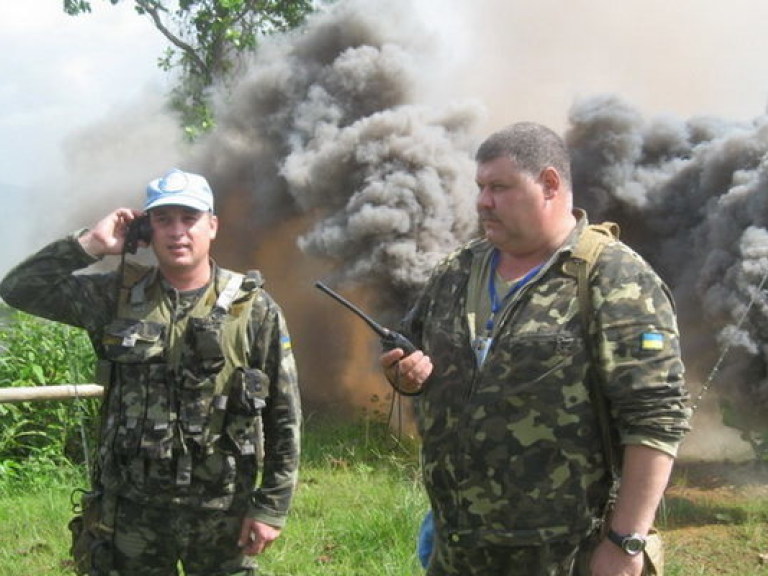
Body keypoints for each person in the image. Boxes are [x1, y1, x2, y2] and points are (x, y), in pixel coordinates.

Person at [380, 123, 691, 576]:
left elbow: (656, 420)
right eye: (480, 187)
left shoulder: (614, 278)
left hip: (563, 556)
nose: (483, 201)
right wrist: (402, 372)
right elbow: (413, 349)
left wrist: (625, 543)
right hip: (456, 546)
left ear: (549, 184)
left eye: (499, 187)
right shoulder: (458, 269)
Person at [0, 168, 302, 576]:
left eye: (189, 218)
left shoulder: (253, 309)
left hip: (221, 513)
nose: (177, 232)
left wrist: (271, 506)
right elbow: (19, 288)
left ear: (212, 226)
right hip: (131, 513)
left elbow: (284, 416)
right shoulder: (114, 297)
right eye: (163, 219)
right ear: (146, 229)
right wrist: (91, 245)